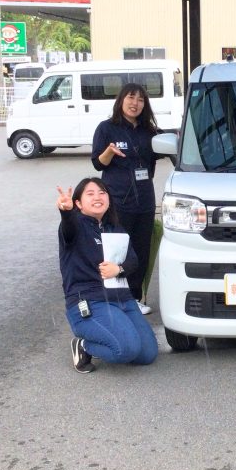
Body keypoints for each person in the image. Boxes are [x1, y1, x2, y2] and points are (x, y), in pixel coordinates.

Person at [57, 178, 158, 372]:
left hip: (123, 299)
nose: (98, 197)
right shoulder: (75, 224)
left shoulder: (115, 227)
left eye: (102, 193)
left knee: (147, 354)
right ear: (78, 203)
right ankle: (83, 346)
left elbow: (133, 261)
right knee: (126, 350)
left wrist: (118, 269)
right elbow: (67, 228)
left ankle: (117, 335)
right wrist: (66, 213)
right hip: (91, 300)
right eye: (90, 194)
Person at [92, 83, 160, 315]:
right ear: (121, 100)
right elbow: (98, 163)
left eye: (141, 100)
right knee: (118, 249)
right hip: (118, 201)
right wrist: (109, 151)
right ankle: (114, 298)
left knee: (140, 250)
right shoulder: (106, 128)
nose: (135, 103)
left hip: (145, 201)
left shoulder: (150, 131)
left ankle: (134, 298)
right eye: (131, 98)